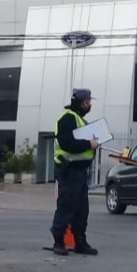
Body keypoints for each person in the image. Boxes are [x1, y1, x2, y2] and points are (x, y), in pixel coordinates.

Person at [50, 88, 100, 256]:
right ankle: (59, 241)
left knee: (81, 209)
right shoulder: (68, 118)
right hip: (69, 170)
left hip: (79, 171)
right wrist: (89, 145)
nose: (89, 105)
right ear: (80, 102)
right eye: (87, 102)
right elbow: (67, 144)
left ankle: (80, 241)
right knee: (66, 207)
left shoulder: (79, 119)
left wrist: (92, 145)